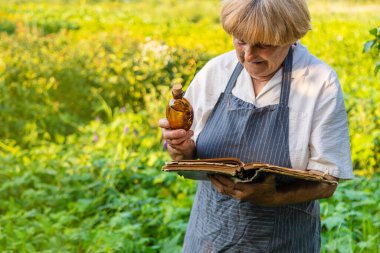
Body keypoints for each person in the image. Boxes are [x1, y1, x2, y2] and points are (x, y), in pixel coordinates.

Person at [159, 0, 353, 252]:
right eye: (240, 40)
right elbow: (185, 156)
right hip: (210, 237)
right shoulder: (216, 71)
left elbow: (328, 181)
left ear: (291, 36)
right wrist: (180, 148)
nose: (248, 55)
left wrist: (273, 197)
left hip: (283, 242)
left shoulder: (318, 82)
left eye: (263, 44)